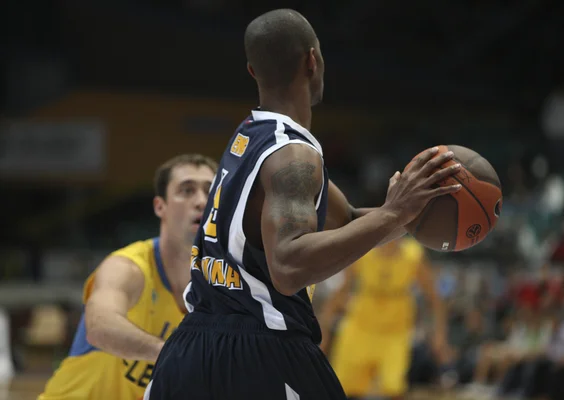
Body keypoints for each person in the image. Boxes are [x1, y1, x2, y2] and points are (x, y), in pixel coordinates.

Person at [145, 8, 461, 400]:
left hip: (189, 353)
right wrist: (395, 212)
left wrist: (412, 212)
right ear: (313, 60)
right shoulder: (294, 154)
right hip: (259, 352)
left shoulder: (251, 137)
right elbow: (289, 266)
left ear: (252, 71)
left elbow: (348, 224)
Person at [38, 154, 217, 400]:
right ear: (160, 206)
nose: (200, 201)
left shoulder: (222, 284)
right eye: (186, 191)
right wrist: (172, 352)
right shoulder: (127, 267)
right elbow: (100, 327)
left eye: (210, 191)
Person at [319, 237, 450, 399]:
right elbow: (340, 291)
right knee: (343, 388)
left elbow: (434, 297)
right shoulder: (363, 251)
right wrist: (323, 330)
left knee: (394, 388)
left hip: (395, 333)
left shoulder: (413, 254)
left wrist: (440, 334)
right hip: (360, 329)